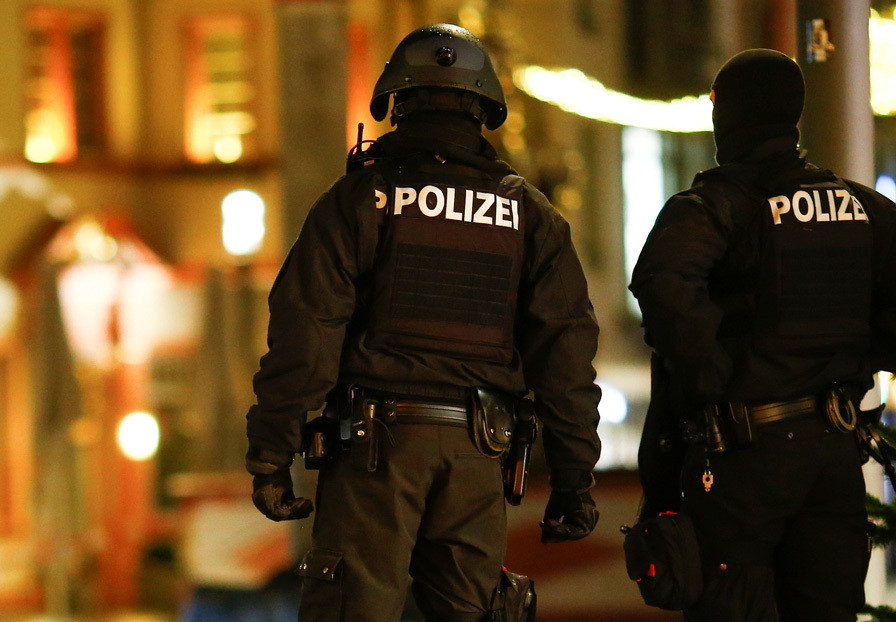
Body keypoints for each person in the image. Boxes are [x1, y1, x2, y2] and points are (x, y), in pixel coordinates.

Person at [244, 23, 602, 622]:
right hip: (478, 450)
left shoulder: (360, 198)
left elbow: (305, 336)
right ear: (484, 108)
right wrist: (573, 479)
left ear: (396, 102)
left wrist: (270, 454)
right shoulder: (530, 216)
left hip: (373, 450)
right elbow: (565, 354)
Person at [630, 48, 896, 622]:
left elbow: (662, 283)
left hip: (744, 455)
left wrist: (717, 379)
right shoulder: (860, 206)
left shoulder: (712, 207)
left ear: (727, 118)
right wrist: (856, 359)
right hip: (833, 449)